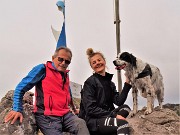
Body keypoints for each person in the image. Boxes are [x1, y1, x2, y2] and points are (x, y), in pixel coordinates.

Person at [4, 47, 90, 135]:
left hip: (66, 115)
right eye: (60, 59)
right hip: (47, 117)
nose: (63, 63)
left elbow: (68, 93)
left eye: (67, 61)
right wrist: (17, 109)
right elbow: (20, 87)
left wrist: (74, 109)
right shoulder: (42, 69)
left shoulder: (65, 75)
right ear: (53, 58)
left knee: (81, 124)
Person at [79, 48, 132, 135]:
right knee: (122, 124)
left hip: (106, 115)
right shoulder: (89, 82)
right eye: (94, 62)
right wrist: (114, 116)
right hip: (94, 121)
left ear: (104, 61)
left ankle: (111, 125)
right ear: (91, 66)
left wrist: (127, 83)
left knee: (126, 107)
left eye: (99, 60)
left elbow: (119, 101)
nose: (97, 63)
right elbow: (90, 109)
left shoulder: (110, 83)